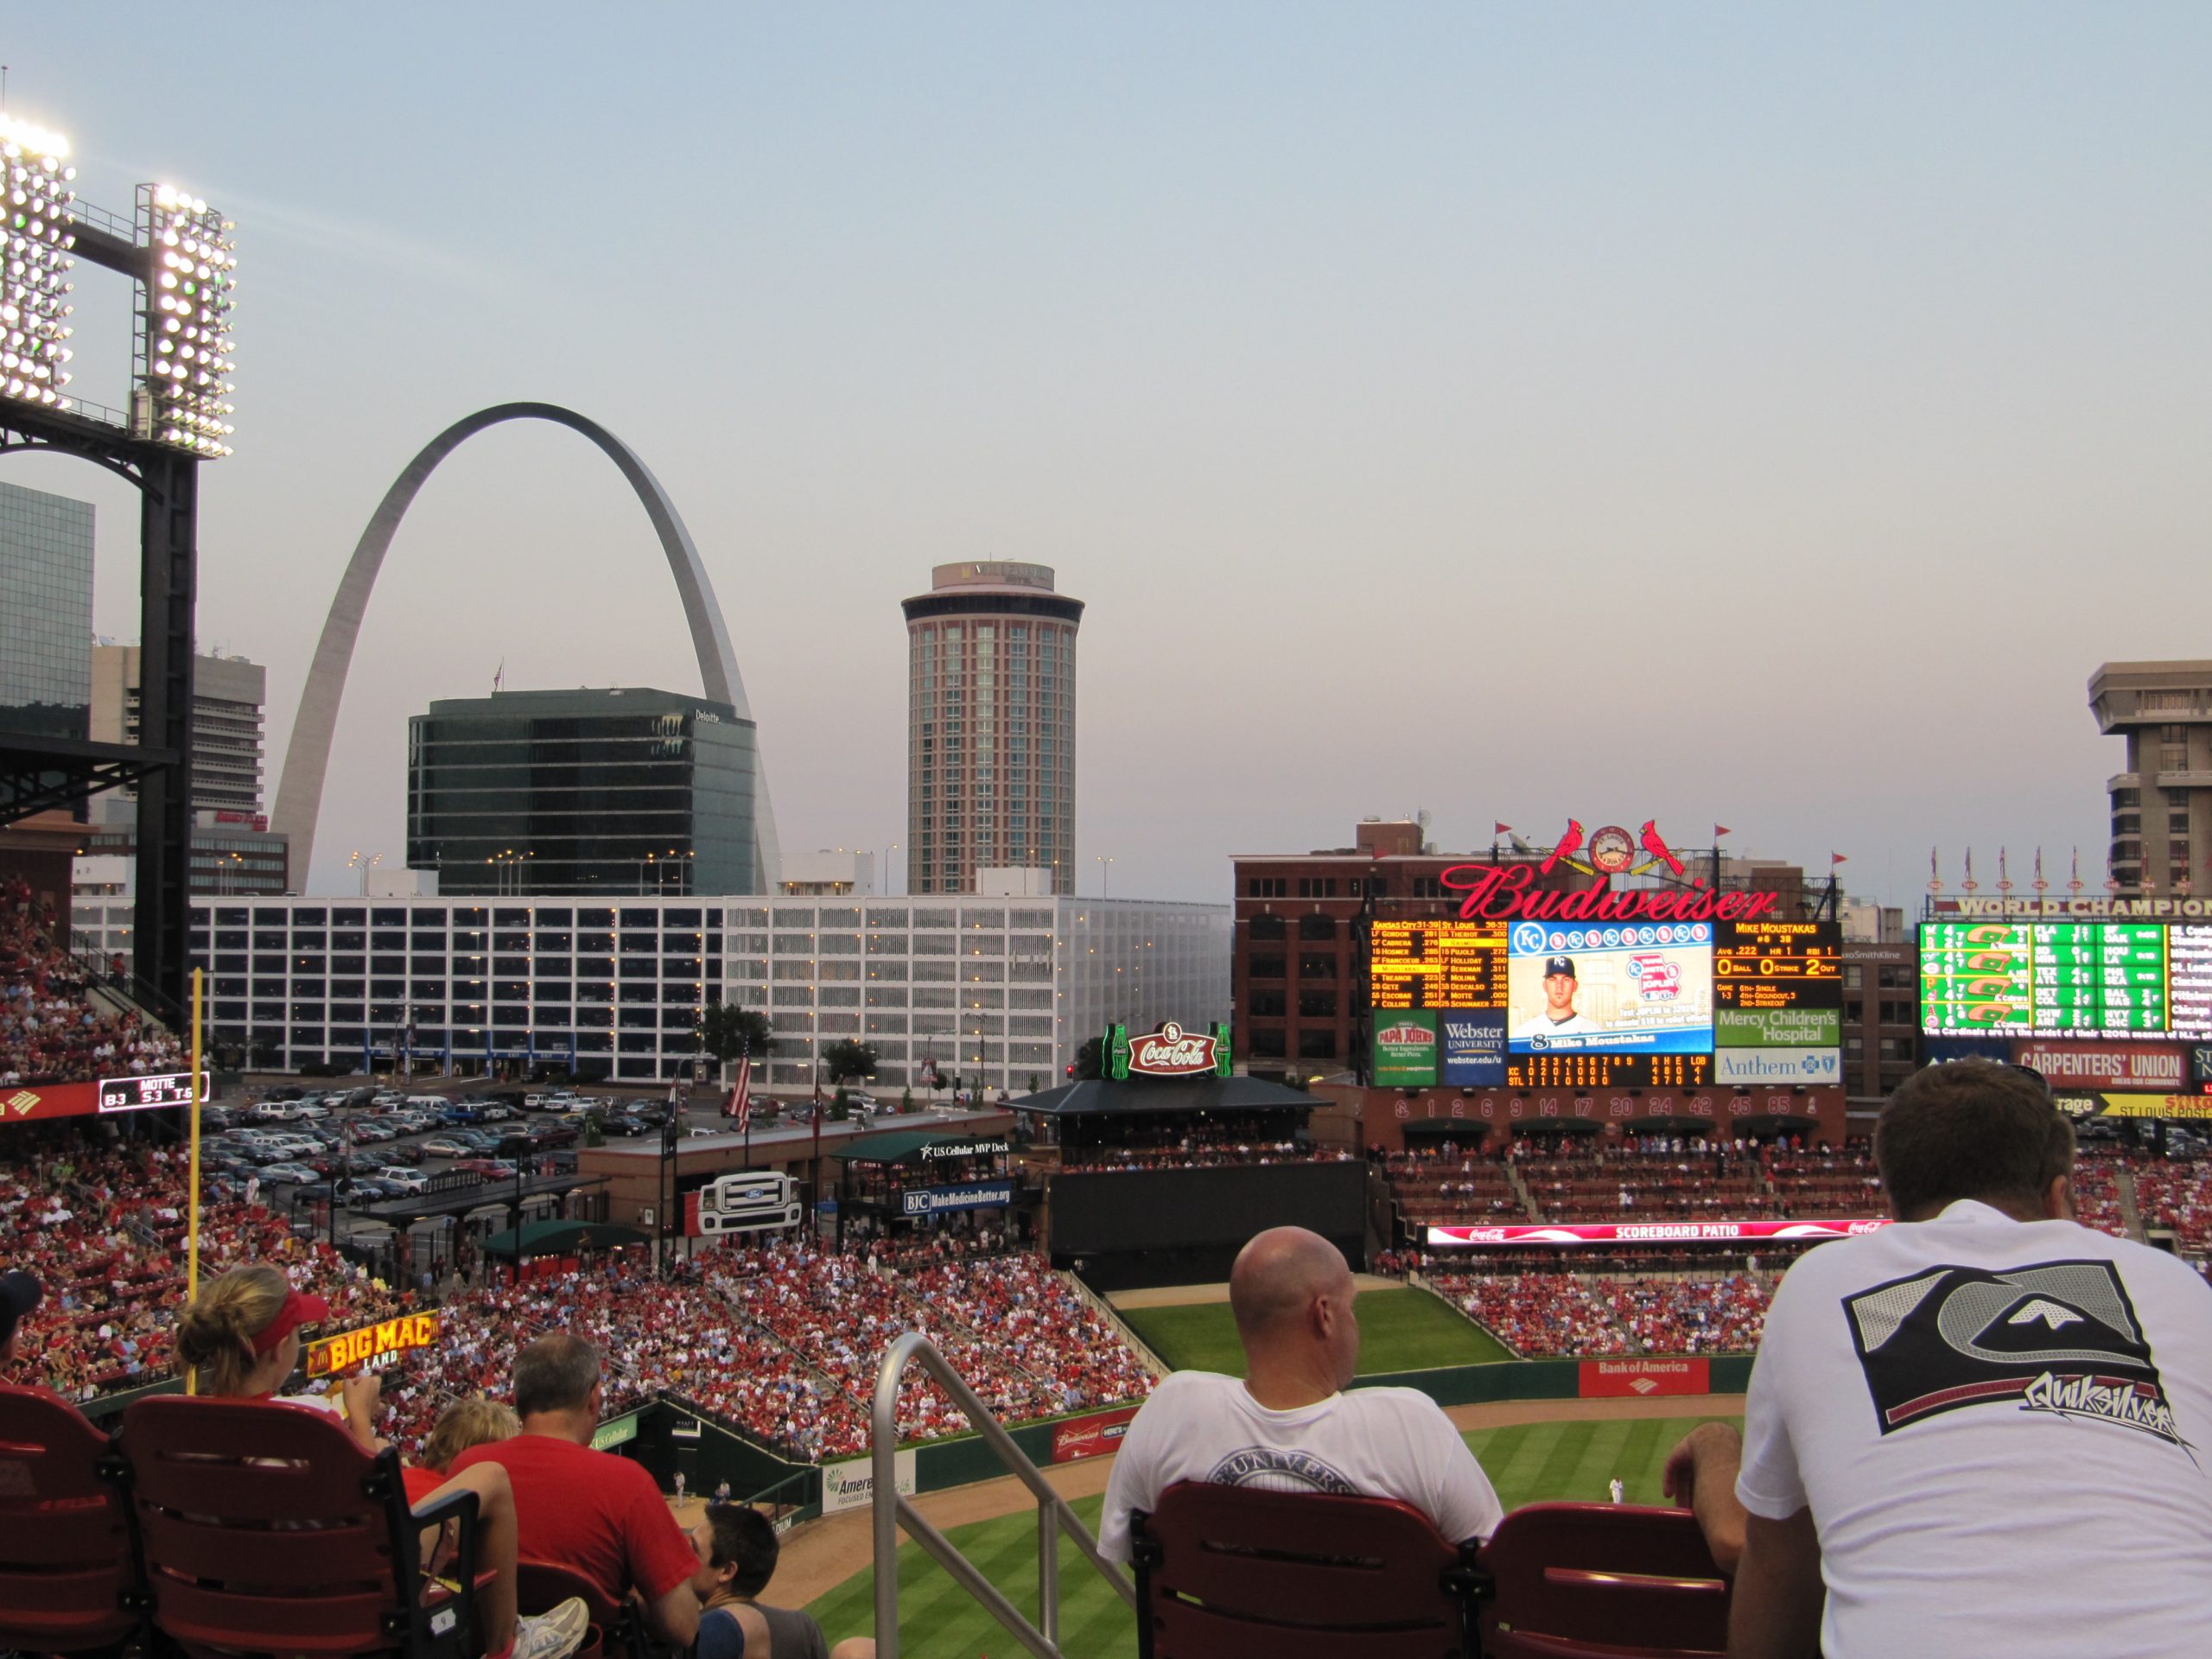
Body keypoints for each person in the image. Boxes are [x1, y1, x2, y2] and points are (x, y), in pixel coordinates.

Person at [1668, 1059, 2212, 1659]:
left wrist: (1718, 1446)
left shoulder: (1820, 1281)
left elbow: (1763, 1561)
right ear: (2060, 1198)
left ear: (1897, 1206)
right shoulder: (2175, 1283)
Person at [175, 1267, 587, 1659]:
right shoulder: (308, 1417)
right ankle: (508, 1645)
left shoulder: (175, 1431)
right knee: (490, 1476)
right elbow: (373, 1518)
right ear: (281, 1347)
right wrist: (360, 1417)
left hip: (219, 1619)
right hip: (336, 1613)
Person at [1099, 1227, 1502, 1562]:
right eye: (1351, 1309)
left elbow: (1132, 1555)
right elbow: (1494, 1572)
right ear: (1323, 1314)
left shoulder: (1169, 1410)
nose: (1354, 1325)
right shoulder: (1414, 1424)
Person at [449, 1334, 708, 1650]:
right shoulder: (628, 1482)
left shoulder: (468, 1466)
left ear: (518, 1399)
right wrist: (630, 1604)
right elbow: (682, 1626)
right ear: (593, 1398)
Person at [690, 1501, 879, 1659]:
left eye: (694, 1550)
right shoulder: (802, 1630)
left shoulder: (689, 1636)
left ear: (727, 1571)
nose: (682, 1555)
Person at [1512, 956, 1599, 1040]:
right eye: (1553, 980)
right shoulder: (1524, 1033)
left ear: (1575, 986)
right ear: (1545, 986)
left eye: (1566, 980)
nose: (1559, 986)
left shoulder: (1593, 1031)